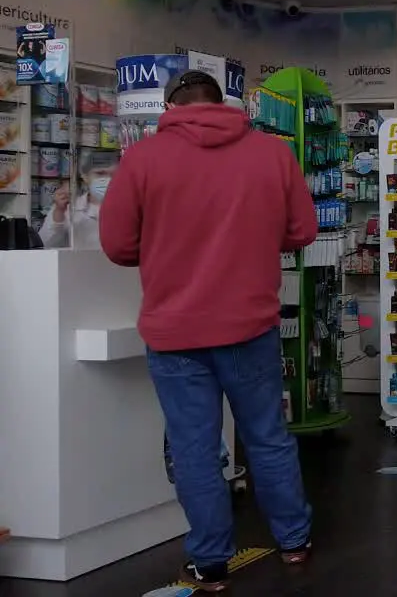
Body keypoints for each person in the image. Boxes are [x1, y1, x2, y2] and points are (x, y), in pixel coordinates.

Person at [99, 70, 317, 591]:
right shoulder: (271, 154)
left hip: (175, 333)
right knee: (267, 437)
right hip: (250, 324)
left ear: (170, 106)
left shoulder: (144, 159)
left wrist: (161, 245)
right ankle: (294, 540)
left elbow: (116, 244)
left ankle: (211, 562)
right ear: (224, 103)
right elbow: (303, 231)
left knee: (195, 448)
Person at [39, 150, 117, 249]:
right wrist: (59, 213)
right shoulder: (69, 208)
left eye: (114, 174)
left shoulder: (132, 208)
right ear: (85, 177)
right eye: (100, 173)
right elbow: (46, 244)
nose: (108, 179)